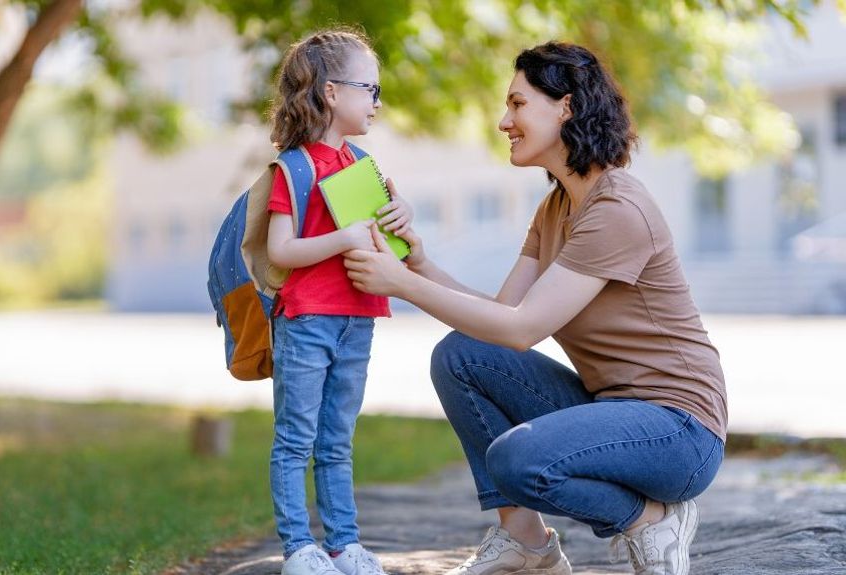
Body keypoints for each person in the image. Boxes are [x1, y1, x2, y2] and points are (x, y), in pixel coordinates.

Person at [343, 41, 726, 575]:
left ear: (565, 106)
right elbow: (501, 318)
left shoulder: (617, 207)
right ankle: (526, 542)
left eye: (518, 104)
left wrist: (401, 288)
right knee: (461, 355)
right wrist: (418, 267)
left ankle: (649, 518)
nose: (505, 121)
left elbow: (522, 330)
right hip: (610, 411)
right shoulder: (556, 207)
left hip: (679, 433)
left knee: (516, 460)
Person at [265, 29, 413, 575]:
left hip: (358, 318)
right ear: (331, 93)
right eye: (369, 89)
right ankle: (299, 548)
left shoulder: (364, 165)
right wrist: (343, 238)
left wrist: (402, 219)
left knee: (338, 439)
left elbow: (383, 239)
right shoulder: (294, 168)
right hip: (306, 322)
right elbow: (282, 249)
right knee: (295, 439)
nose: (378, 101)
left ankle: (343, 543)